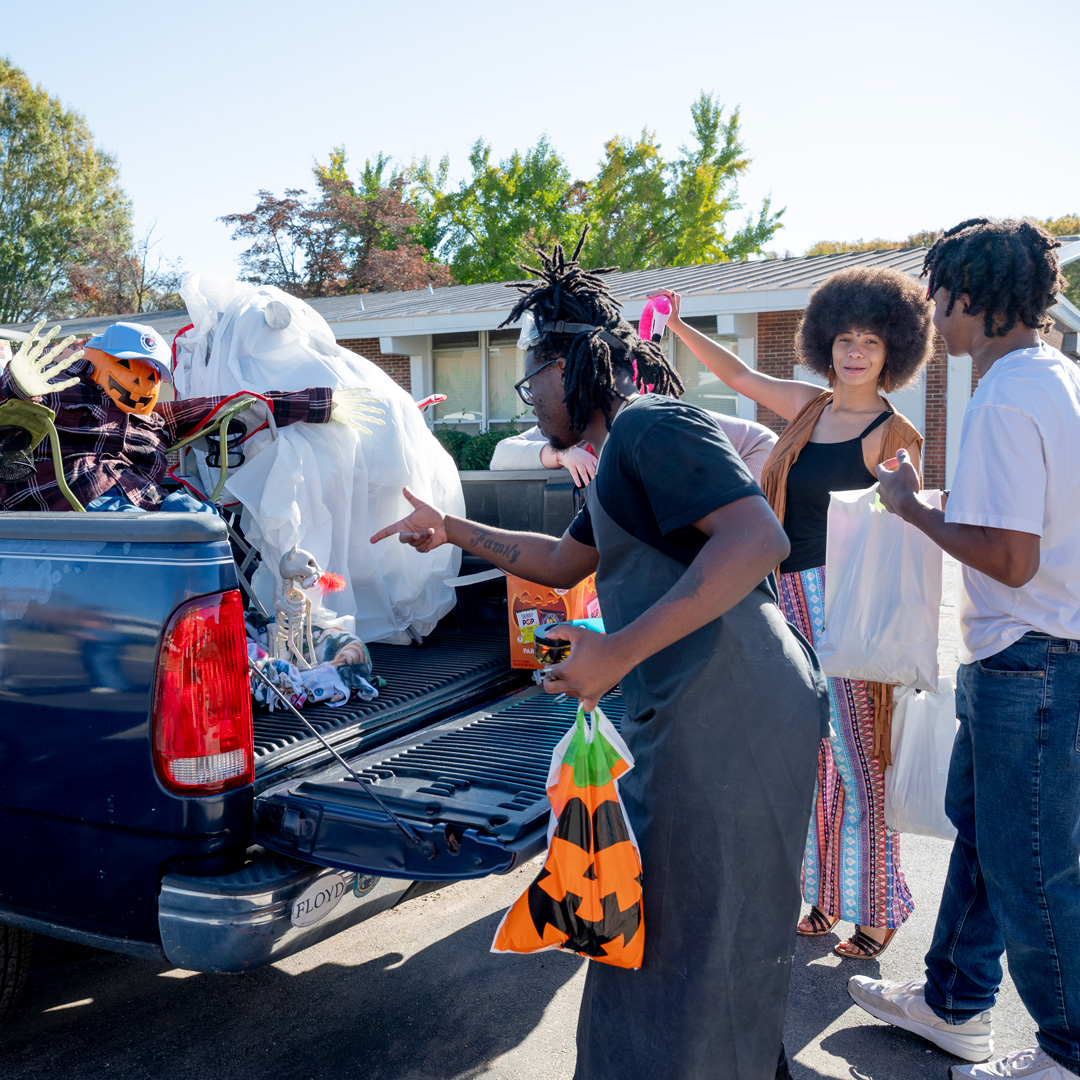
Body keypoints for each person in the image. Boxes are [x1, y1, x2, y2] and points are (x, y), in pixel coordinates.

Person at [372, 231, 827, 1080]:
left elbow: (757, 538)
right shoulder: (619, 453)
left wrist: (616, 650)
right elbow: (559, 561)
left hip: (738, 713)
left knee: (702, 942)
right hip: (694, 712)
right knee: (669, 937)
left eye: (530, 374)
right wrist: (450, 528)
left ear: (578, 362)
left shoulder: (654, 425)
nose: (528, 397)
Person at [849, 219, 1080, 1080]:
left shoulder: (1005, 395)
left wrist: (911, 508)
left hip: (1031, 661)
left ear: (971, 299)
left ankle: (1069, 1054)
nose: (935, 321)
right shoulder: (1062, 379)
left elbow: (1012, 559)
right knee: (987, 841)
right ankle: (952, 1003)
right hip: (1046, 654)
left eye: (939, 299)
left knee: (1031, 869)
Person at [656, 268, 933, 960]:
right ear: (825, 344)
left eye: (871, 341)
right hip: (787, 599)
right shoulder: (809, 407)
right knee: (811, 759)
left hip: (849, 609)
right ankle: (824, 896)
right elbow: (744, 378)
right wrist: (677, 327)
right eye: (845, 338)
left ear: (893, 350)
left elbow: (908, 539)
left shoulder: (891, 433)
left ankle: (879, 906)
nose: (856, 352)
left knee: (861, 761)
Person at [0, 320, 381, 512]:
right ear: (101, 359)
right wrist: (13, 387)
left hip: (146, 511)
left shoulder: (156, 418)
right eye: (130, 367)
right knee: (191, 522)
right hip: (75, 514)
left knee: (205, 520)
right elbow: (15, 413)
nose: (142, 381)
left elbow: (231, 404)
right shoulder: (62, 389)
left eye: (153, 375)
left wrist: (317, 403)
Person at [491, 412, 777, 486]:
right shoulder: (568, 424)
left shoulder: (654, 420)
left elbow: (759, 440)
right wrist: (562, 454)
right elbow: (501, 455)